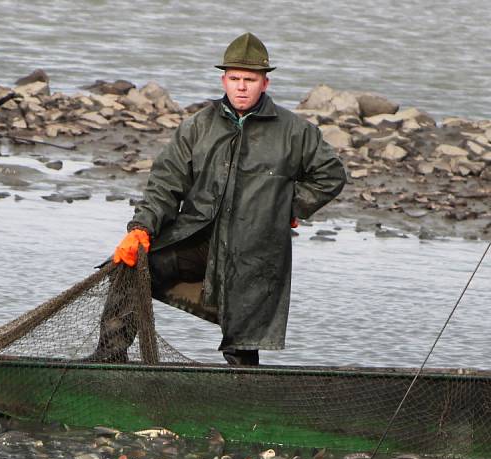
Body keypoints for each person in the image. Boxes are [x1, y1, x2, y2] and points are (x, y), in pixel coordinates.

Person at [94, 32, 346, 366]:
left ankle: (242, 398)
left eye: (250, 79)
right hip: (197, 241)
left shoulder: (295, 131)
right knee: (130, 268)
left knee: (242, 346)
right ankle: (109, 360)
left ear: (265, 84)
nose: (242, 86)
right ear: (223, 80)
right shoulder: (197, 126)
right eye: (235, 78)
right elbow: (165, 183)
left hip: (255, 253)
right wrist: (141, 227)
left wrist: (290, 206)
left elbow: (331, 175)